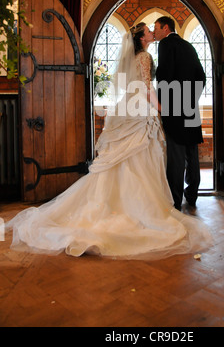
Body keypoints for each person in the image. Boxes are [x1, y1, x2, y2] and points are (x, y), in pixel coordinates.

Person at [6, 23, 211, 260]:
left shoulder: (135, 55)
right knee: (142, 153)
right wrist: (160, 108)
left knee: (129, 156)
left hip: (128, 107)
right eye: (148, 30)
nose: (152, 32)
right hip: (142, 109)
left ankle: (120, 201)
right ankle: (142, 204)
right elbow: (146, 87)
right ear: (142, 38)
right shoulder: (144, 56)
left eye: (153, 29)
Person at [154, 16, 206, 212]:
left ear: (166, 28)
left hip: (174, 107)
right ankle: (192, 196)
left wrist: (163, 103)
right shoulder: (188, 46)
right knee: (192, 152)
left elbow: (164, 75)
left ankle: (175, 202)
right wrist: (191, 98)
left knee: (176, 154)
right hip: (190, 106)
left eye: (156, 28)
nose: (155, 31)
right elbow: (201, 76)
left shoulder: (166, 44)